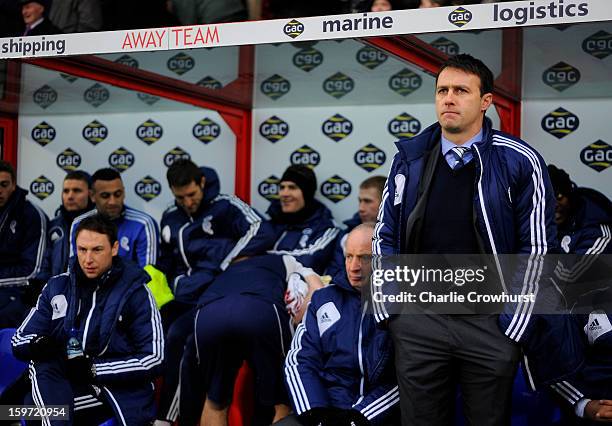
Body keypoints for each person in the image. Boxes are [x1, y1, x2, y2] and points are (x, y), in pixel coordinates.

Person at [372, 54, 557, 425]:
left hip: (490, 322)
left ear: (486, 101)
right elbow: (384, 235)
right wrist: (390, 308)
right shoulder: (409, 159)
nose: (449, 99)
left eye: (461, 90)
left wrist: (512, 326)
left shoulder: (520, 160)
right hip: (418, 320)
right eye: (442, 90)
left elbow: (536, 249)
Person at [11, 214, 164, 425]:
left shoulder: (137, 293)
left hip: (117, 390)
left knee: (24, 410)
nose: (88, 259)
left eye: (97, 250)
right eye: (82, 250)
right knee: (40, 367)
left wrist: (93, 368)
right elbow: (19, 339)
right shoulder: (58, 287)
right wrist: (38, 345)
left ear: (115, 248)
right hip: (65, 384)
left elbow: (154, 358)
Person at [155, 159, 269, 425]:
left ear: (202, 183)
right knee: (153, 334)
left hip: (216, 294)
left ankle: (167, 417)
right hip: (182, 295)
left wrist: (226, 263)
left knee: (178, 337)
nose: (188, 202)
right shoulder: (171, 216)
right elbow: (166, 260)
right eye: (180, 197)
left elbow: (261, 229)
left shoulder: (225, 205)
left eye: (192, 195)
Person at [283, 223, 398, 426]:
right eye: (349, 256)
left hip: (373, 416)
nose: (353, 267)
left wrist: (358, 418)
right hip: (324, 410)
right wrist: (316, 413)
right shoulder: (322, 299)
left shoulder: (398, 303)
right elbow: (299, 362)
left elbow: (402, 379)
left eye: (364, 258)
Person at [70, 167, 159, 269]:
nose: (112, 201)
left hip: (131, 284)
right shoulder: (79, 223)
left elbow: (148, 276)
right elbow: (74, 270)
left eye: (117, 194)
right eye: (105, 196)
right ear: (92, 196)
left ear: (124, 193)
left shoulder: (143, 224)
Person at [265, 165, 339, 275]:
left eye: (292, 187)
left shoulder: (325, 226)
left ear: (307, 193)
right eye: (282, 187)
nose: (284, 194)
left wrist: (262, 259)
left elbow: (309, 261)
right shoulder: (272, 222)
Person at [0, 160, 48, 328]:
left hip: (19, 293)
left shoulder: (31, 214)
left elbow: (33, 270)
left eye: (4, 185)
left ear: (14, 185)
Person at [327, 175, 385, 279]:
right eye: (360, 201)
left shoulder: (404, 234)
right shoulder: (347, 235)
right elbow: (334, 274)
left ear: (385, 202)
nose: (361, 208)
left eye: (367, 201)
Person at [42, 171, 95, 278]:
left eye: (77, 191)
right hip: (56, 290)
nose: (70, 196)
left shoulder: (101, 226)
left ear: (91, 194)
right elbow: (43, 265)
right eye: (66, 191)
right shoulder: (53, 226)